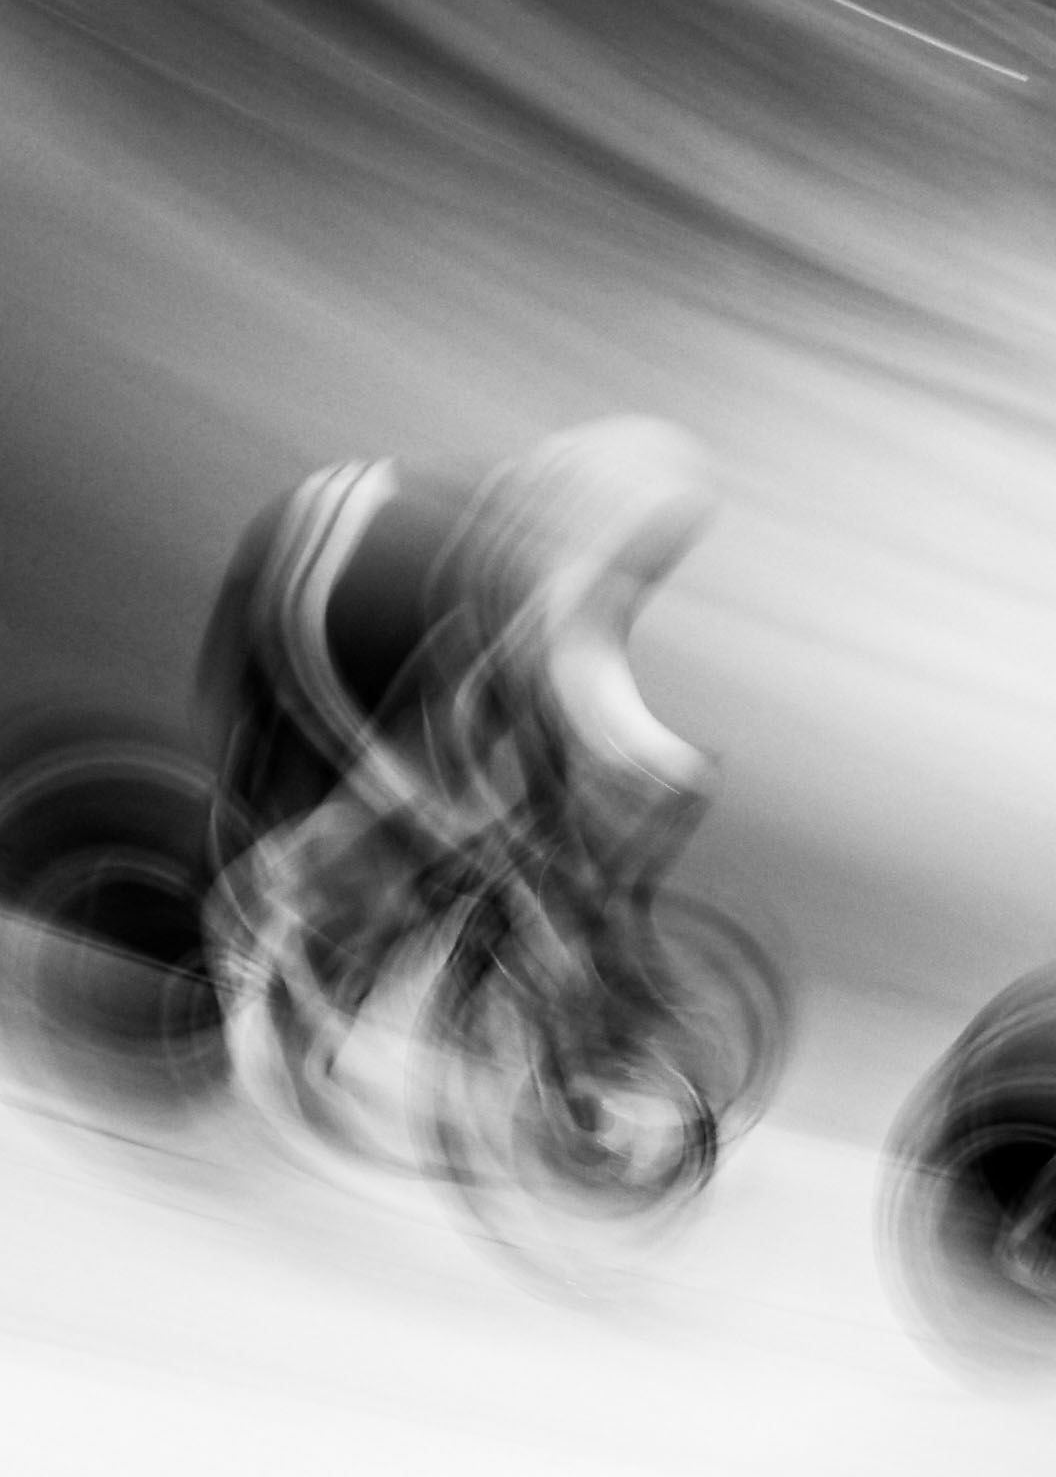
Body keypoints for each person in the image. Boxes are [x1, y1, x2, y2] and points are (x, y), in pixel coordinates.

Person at [196, 416, 715, 1035]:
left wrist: (656, 756)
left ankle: (302, 979)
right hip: (313, 605)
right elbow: (530, 684)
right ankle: (220, 978)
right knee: (386, 822)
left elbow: (584, 658)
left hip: (388, 613)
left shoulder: (564, 558)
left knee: (445, 824)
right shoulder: (501, 564)